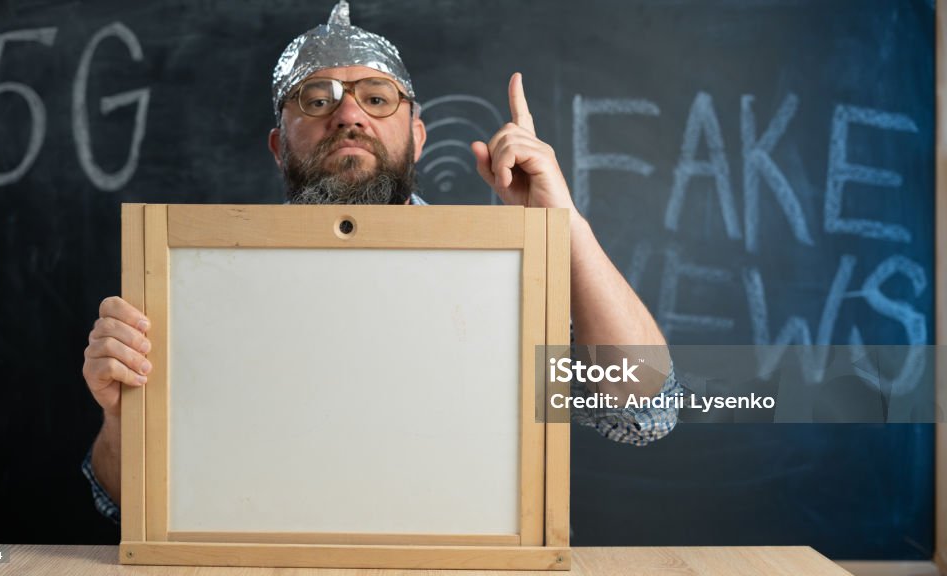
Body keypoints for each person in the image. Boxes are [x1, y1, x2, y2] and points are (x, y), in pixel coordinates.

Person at [81, 1, 680, 524]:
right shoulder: (196, 278)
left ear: (418, 137)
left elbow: (646, 411)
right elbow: (123, 506)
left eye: (376, 98)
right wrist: (119, 412)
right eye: (317, 99)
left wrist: (563, 225)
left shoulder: (497, 277)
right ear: (278, 144)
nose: (348, 115)